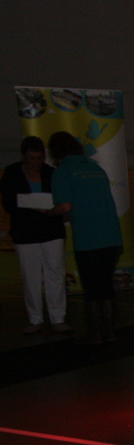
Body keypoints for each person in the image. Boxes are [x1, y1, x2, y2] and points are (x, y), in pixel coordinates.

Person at [49, 131, 122, 344]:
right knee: (106, 285)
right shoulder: (96, 168)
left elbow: (65, 206)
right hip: (111, 235)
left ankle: (95, 333)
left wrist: (47, 212)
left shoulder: (63, 171)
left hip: (88, 236)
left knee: (91, 287)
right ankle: (109, 331)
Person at [1, 136, 69, 334]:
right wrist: (31, 204)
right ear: (24, 156)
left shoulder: (51, 173)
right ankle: (35, 319)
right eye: (32, 158)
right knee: (30, 276)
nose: (36, 163)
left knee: (55, 273)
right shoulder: (12, 173)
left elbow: (61, 199)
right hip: (25, 232)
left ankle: (58, 318)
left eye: (39, 158)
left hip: (51, 230)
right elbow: (8, 204)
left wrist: (48, 206)